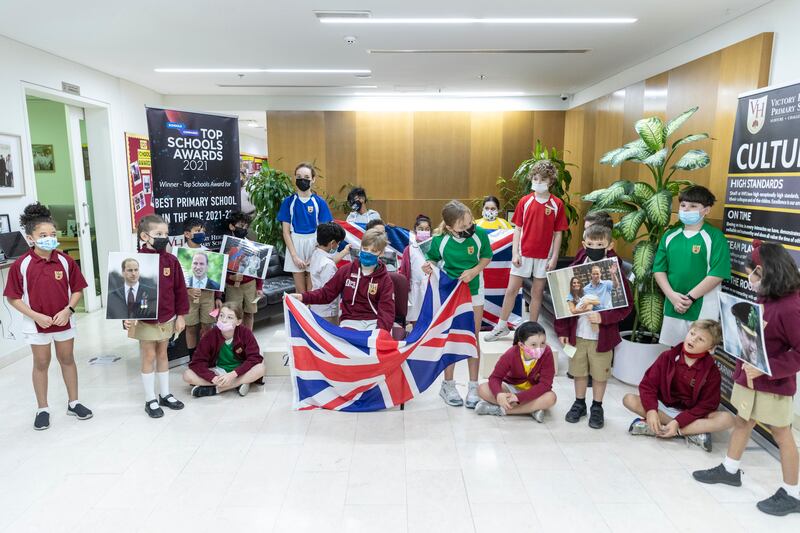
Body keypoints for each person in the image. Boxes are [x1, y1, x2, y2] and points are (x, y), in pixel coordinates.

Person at [693, 241, 800, 516]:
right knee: (742, 421)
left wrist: (769, 368)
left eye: (751, 273)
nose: (748, 278)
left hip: (773, 383)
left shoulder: (791, 306)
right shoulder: (769, 296)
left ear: (764, 271)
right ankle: (730, 469)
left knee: (782, 433)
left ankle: (793, 493)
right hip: (749, 377)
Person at [3, 203, 92, 430]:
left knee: (67, 359)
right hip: (36, 325)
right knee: (41, 363)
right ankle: (42, 408)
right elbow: (13, 298)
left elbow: (78, 290)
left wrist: (68, 310)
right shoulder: (21, 265)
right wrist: (36, 317)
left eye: (52, 234)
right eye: (43, 235)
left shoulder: (65, 260)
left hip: (64, 321)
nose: (49, 239)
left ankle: (75, 402)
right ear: (30, 238)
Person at [555, 224, 633, 429]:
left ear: (609, 245)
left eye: (600, 244)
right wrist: (562, 330)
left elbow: (626, 307)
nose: (595, 247)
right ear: (583, 244)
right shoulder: (575, 268)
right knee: (578, 371)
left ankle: (597, 407)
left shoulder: (615, 273)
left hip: (602, 338)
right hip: (577, 334)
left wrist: (603, 319)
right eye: (590, 244)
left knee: (600, 374)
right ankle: (579, 402)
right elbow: (564, 302)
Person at [485, 160, 568, 341]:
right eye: (536, 178)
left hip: (544, 257)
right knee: (511, 290)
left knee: (537, 293)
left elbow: (558, 233)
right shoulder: (525, 201)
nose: (538, 182)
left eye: (542, 179)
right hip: (523, 254)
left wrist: (554, 258)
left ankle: (532, 332)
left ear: (551, 181)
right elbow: (518, 229)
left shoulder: (557, 204)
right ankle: (501, 326)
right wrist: (515, 253)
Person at [623, 320, 733, 452]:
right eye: (692, 334)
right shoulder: (667, 357)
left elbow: (707, 405)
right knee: (629, 399)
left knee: (727, 419)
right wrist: (651, 410)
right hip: (663, 408)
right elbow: (648, 385)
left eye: (701, 339)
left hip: (692, 415)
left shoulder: (712, 372)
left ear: (710, 348)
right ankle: (691, 433)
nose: (693, 339)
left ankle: (669, 429)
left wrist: (679, 422)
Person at [423, 200, 493, 408]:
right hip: (451, 294)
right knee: (452, 338)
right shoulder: (440, 240)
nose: (468, 229)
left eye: (470, 224)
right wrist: (428, 265)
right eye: (463, 227)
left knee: (473, 337)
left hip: (474, 291)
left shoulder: (479, 235)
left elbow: (487, 257)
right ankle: (448, 385)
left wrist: (474, 271)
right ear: (450, 226)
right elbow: (432, 259)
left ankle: (473, 385)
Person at [125, 214, 189, 419]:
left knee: (163, 354)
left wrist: (180, 315)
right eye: (158, 234)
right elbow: (125, 290)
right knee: (149, 356)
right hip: (145, 319)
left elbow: (180, 290)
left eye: (166, 234)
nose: (164, 237)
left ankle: (164, 394)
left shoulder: (172, 260)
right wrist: (126, 316)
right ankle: (150, 398)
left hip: (168, 317)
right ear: (144, 236)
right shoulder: (135, 262)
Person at [653, 185, 731, 347]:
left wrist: (689, 298)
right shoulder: (670, 235)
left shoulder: (715, 237)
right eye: (683, 205)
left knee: (699, 352)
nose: (686, 210)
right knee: (672, 352)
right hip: (673, 303)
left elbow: (718, 273)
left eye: (693, 206)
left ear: (706, 210)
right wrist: (672, 296)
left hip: (703, 307)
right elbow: (659, 269)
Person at [291, 228, 394, 331]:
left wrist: (381, 332)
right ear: (361, 247)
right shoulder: (346, 270)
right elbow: (326, 293)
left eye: (374, 251)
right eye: (365, 249)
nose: (368, 253)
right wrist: (302, 297)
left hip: (373, 322)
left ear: (381, 253)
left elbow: (386, 311)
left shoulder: (385, 279)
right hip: (350, 321)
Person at [474, 321, 557, 421]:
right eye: (533, 344)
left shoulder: (547, 352)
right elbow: (495, 377)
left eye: (542, 343)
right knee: (482, 389)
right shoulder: (512, 354)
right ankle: (532, 409)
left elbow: (545, 384)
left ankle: (501, 410)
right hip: (510, 387)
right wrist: (499, 394)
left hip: (534, 391)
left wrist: (519, 397)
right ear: (521, 345)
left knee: (551, 398)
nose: (539, 348)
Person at [183, 302, 265, 397]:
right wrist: (212, 377)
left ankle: (217, 389)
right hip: (219, 372)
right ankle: (239, 384)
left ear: (238, 322)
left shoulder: (245, 333)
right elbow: (197, 362)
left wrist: (232, 375)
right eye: (221, 316)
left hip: (240, 371)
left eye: (229, 317)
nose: (224, 320)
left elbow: (254, 358)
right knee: (187, 375)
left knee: (261, 368)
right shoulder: (210, 335)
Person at [278, 162, 334, 293]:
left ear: (313, 179)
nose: (302, 180)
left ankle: (311, 313)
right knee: (301, 292)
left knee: (312, 290)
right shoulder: (288, 202)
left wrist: (315, 253)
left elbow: (324, 231)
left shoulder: (319, 202)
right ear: (295, 178)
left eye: (306, 177)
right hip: (295, 244)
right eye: (299, 176)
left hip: (315, 244)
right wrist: (294, 256)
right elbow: (286, 232)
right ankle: (300, 313)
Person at [220, 212, 262, 330]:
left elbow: (259, 268)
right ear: (232, 226)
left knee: (250, 313)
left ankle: (248, 339)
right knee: (232, 314)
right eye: (241, 226)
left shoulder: (252, 245)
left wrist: (259, 287)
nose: (243, 229)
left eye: (246, 227)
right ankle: (235, 339)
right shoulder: (226, 247)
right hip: (232, 286)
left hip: (250, 285)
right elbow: (221, 270)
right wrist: (230, 278)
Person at [181, 218, 215, 357]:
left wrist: (217, 297)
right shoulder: (179, 253)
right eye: (197, 231)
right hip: (188, 296)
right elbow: (176, 280)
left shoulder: (208, 252)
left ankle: (206, 355)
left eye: (202, 230)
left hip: (207, 296)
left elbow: (214, 278)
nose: (201, 233)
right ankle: (192, 357)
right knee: (190, 327)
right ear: (187, 234)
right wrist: (187, 290)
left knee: (207, 325)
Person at [308, 222, 350, 325]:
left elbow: (331, 261)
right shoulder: (328, 265)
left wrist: (345, 251)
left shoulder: (316, 253)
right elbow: (330, 289)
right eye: (338, 243)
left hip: (316, 306)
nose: (338, 245)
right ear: (332, 243)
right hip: (327, 310)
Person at [399, 214, 432, 324]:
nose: (424, 231)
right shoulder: (409, 249)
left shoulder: (434, 247)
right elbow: (403, 271)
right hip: (414, 288)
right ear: (415, 231)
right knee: (416, 319)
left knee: (430, 317)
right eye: (421, 229)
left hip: (430, 286)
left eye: (427, 229)